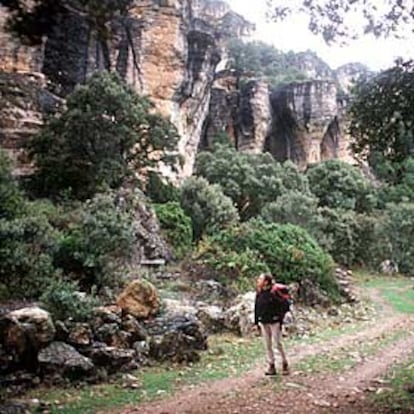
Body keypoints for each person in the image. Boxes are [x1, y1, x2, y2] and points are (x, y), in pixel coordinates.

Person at [254, 273, 289, 376]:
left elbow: (283, 305)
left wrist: (279, 318)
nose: (258, 281)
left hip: (274, 321)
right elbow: (257, 307)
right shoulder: (260, 293)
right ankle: (271, 365)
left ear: (266, 282)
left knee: (277, 343)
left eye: (260, 279)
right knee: (267, 344)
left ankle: (284, 362)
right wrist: (256, 322)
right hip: (264, 321)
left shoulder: (274, 292)